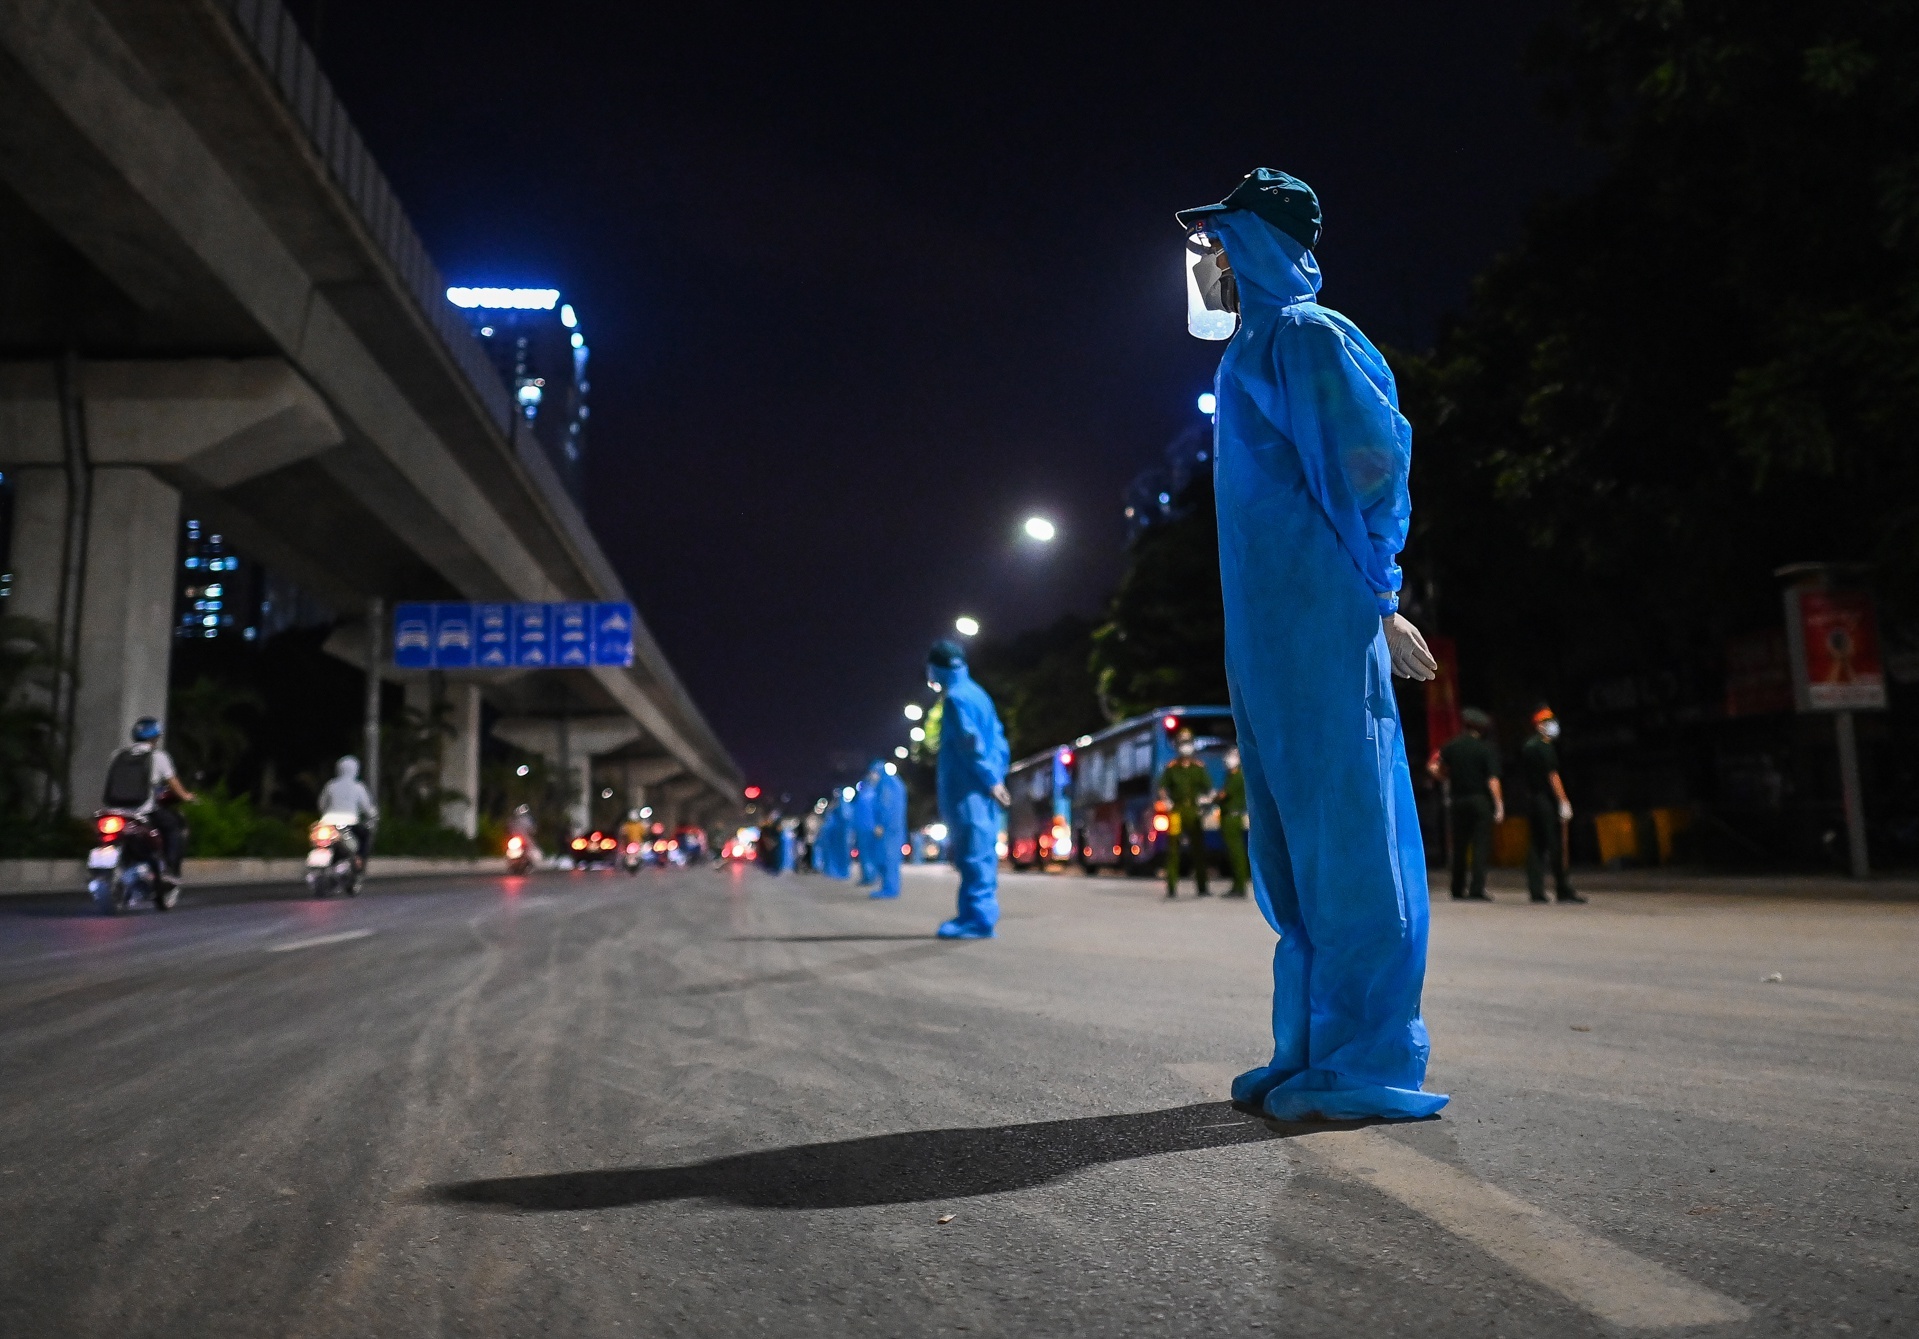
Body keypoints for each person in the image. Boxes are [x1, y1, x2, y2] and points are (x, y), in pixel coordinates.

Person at [1178, 168, 1448, 1122]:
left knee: (1349, 839)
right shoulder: (1248, 350)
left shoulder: (1305, 335)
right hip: (1268, 635)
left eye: (1220, 241)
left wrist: (1380, 594)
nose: (1207, 261)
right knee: (1292, 849)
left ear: (1259, 240)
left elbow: (1367, 466)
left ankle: (1367, 1056)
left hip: (1324, 621)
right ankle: (1307, 1047)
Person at [925, 639, 1010, 939]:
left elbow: (969, 743)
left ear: (936, 668)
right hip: (982, 789)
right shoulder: (979, 694)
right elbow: (998, 739)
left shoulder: (955, 699)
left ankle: (977, 920)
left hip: (966, 789)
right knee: (982, 853)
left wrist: (990, 779)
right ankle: (975, 916)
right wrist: (996, 777)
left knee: (972, 856)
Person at [102, 717, 195, 885]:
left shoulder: (117, 755)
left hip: (114, 811)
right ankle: (170, 870)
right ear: (156, 736)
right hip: (143, 811)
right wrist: (186, 796)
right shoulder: (158, 757)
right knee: (173, 826)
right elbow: (173, 783)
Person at [1431, 708, 1502, 902]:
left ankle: (1457, 887)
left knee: (1459, 846)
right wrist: (1498, 804)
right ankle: (1476, 889)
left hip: (1458, 801)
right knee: (1480, 846)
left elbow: (1436, 768)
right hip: (1480, 801)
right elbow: (1492, 779)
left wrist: (1447, 779)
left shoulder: (1451, 746)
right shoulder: (1485, 749)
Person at [1522, 706, 1585, 904]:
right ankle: (1563, 889)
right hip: (1546, 800)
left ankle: (1536, 890)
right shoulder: (1544, 746)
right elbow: (1553, 776)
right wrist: (1563, 801)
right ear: (1539, 726)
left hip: (1532, 799)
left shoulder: (1528, 746)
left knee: (1536, 845)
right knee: (1555, 844)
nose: (1552, 726)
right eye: (1547, 722)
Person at [1156, 728, 1215, 898]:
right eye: (1182, 743)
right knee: (1173, 849)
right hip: (1177, 810)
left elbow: (1208, 788)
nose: (1185, 747)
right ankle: (1171, 887)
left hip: (1194, 811)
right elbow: (1162, 787)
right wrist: (1166, 800)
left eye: (1188, 743)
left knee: (1198, 850)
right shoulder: (1172, 768)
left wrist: (1207, 799)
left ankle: (1202, 887)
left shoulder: (1198, 768)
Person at [316, 755, 377, 870]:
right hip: (349, 824)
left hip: (327, 824)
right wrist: (373, 815)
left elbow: (321, 804)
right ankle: (359, 860)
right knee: (365, 835)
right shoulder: (358, 787)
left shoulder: (331, 785)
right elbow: (367, 808)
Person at [865, 759, 908, 899]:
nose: (871, 776)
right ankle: (888, 887)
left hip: (889, 829)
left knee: (888, 858)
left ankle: (890, 889)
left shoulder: (887, 786)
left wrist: (881, 825)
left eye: (873, 773)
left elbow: (887, 807)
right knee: (887, 858)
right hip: (892, 829)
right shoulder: (890, 784)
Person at [1218, 746, 1250, 898]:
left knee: (1236, 853)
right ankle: (1237, 885)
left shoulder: (1237, 776)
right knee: (1234, 853)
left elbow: (1224, 795)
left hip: (1232, 817)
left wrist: (1211, 798)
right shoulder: (1231, 776)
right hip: (1230, 817)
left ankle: (1240, 886)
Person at [850, 775, 879, 887]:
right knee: (872, 854)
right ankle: (871, 876)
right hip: (871, 829)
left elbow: (855, 815)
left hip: (862, 829)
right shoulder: (875, 795)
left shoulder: (861, 797)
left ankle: (868, 876)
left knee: (865, 855)